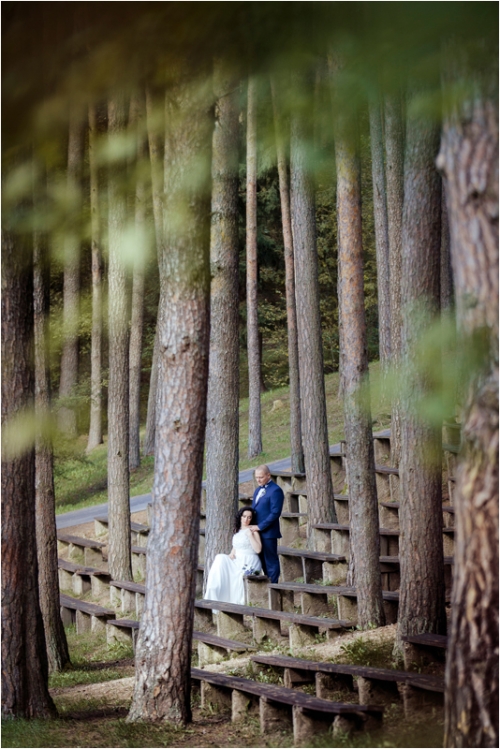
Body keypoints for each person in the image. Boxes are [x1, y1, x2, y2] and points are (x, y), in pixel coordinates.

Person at [204, 507, 262, 607]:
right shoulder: (237, 531)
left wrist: (250, 535)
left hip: (249, 560)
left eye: (249, 517)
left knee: (238, 577)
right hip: (237, 560)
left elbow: (258, 550)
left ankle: (236, 605)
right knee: (220, 558)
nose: (246, 520)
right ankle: (212, 592)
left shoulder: (253, 531)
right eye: (244, 516)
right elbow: (234, 550)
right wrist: (227, 557)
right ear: (240, 517)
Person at [249, 465, 284, 583]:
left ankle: (274, 585)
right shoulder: (258, 490)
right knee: (261, 560)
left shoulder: (276, 490)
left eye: (261, 477)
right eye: (256, 477)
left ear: (268, 475)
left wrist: (260, 526)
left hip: (268, 533)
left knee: (270, 560)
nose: (258, 480)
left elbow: (275, 513)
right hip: (256, 533)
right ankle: (267, 583)